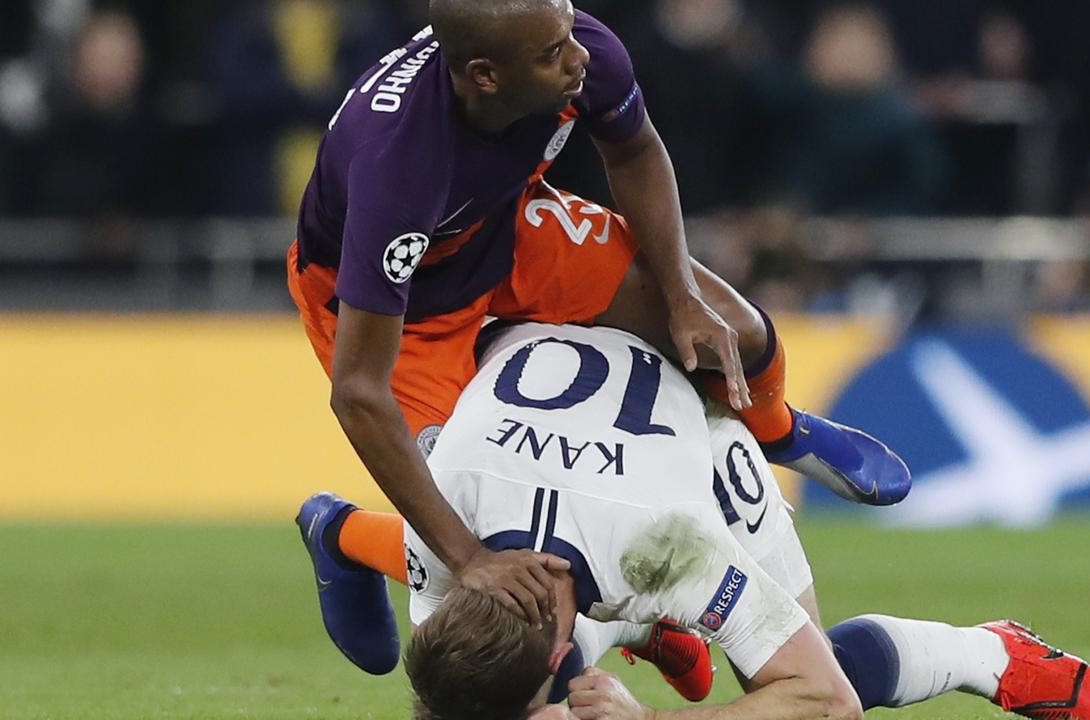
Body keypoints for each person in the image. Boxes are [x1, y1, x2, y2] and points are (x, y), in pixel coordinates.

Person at [286, 0, 911, 638]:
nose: (578, 55)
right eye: (552, 53)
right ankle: (344, 534)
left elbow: (635, 151)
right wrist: (471, 559)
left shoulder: (577, 43)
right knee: (475, 539)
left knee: (738, 330)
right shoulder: (398, 169)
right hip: (401, 304)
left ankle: (779, 430)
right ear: (485, 77)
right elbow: (359, 392)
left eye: (567, 35)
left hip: (504, 229)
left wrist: (679, 291)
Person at [297, 321, 1090, 720]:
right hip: (547, 366)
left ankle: (989, 652)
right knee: (501, 695)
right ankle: (645, 634)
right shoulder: (441, 532)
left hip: (702, 438)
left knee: (803, 673)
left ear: (559, 641)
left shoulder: (668, 548)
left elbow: (822, 701)